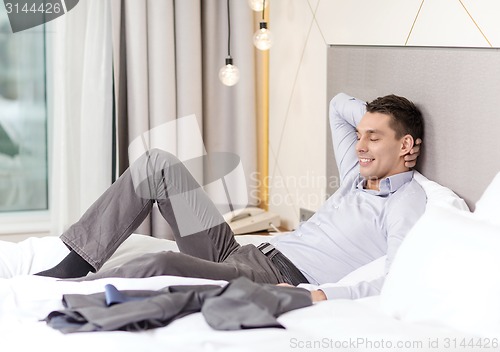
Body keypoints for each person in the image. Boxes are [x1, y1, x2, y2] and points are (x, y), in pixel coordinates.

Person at [37, 92, 426, 302]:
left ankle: (65, 295)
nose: (359, 146)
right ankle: (76, 263)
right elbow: (337, 104)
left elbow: (397, 278)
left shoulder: (405, 203)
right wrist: (376, 119)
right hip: (241, 250)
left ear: (407, 145)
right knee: (157, 164)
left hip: (272, 276)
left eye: (372, 138)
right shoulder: (355, 176)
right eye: (359, 136)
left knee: (161, 261)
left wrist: (323, 295)